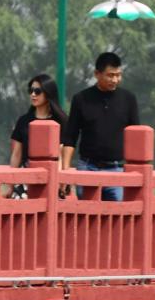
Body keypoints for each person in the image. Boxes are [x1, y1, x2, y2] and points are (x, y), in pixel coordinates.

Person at [59, 51, 138, 201]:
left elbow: (136, 137)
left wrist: (133, 172)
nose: (115, 80)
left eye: (118, 75)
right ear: (97, 74)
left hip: (116, 168)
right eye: (110, 75)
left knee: (115, 218)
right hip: (87, 167)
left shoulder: (128, 99)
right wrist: (65, 172)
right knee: (87, 216)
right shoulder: (81, 99)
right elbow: (70, 138)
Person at [9, 74, 66, 169]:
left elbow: (60, 156)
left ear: (48, 93)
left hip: (53, 175)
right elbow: (16, 155)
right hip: (27, 178)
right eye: (31, 91)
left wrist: (59, 182)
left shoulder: (61, 121)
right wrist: (11, 182)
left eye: (37, 91)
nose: (33, 94)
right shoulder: (23, 121)